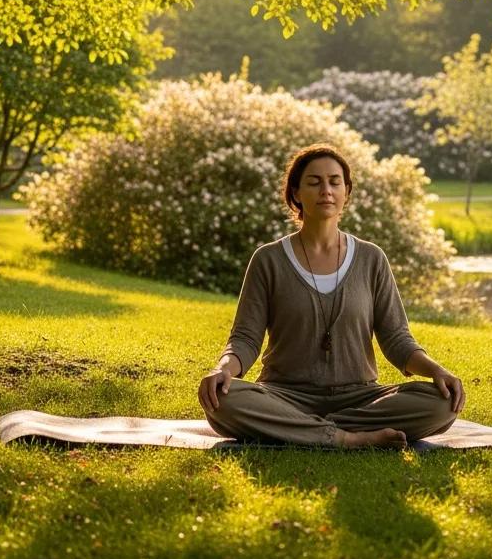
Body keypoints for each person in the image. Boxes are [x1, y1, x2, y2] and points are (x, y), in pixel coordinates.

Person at [198, 143, 464, 449]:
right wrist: (223, 370)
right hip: (284, 395)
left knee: (440, 403)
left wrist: (437, 370)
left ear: (346, 192)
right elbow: (245, 338)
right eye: (314, 182)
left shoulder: (371, 258)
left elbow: (397, 340)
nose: (326, 190)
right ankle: (345, 439)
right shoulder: (268, 260)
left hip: (361, 398)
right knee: (225, 400)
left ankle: (301, 431)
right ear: (296, 193)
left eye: (334, 182)